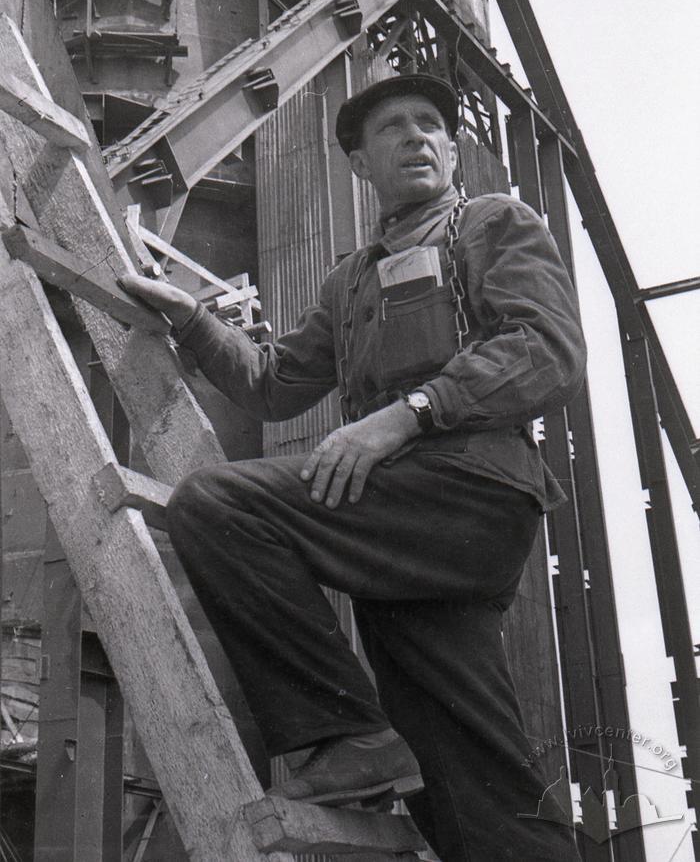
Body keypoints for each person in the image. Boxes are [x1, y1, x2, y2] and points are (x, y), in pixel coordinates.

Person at [121, 73, 585, 862]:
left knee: (219, 506)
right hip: (408, 540)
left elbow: (548, 349)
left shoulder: (492, 225)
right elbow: (275, 384)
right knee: (468, 782)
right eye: (395, 128)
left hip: (469, 489)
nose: (419, 137)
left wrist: (408, 414)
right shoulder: (351, 280)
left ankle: (343, 730)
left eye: (433, 124)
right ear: (360, 164)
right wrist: (192, 318)